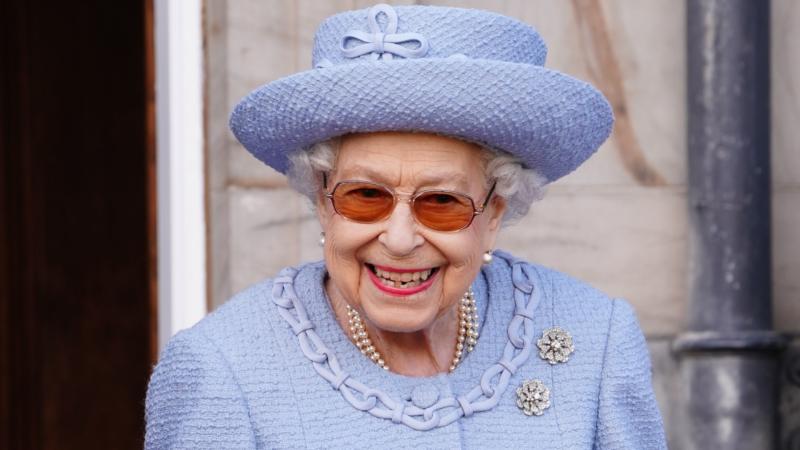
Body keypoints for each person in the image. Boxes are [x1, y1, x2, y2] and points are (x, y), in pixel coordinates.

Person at [145, 3, 666, 449]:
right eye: (365, 196)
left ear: (495, 212)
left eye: (441, 202)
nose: (398, 239)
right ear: (322, 199)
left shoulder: (597, 341)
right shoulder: (220, 372)